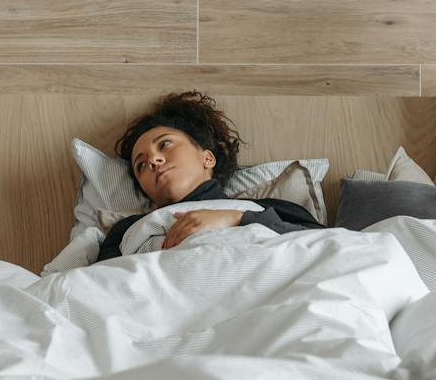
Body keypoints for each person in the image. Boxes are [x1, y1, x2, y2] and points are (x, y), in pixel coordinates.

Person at [98, 92, 324, 260]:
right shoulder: (126, 231)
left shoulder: (268, 209)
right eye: (141, 165)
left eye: (165, 144)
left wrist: (235, 219)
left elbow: (325, 245)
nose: (153, 161)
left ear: (207, 158)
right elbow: (103, 285)